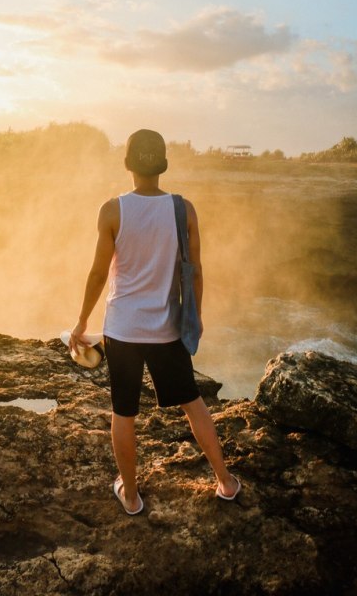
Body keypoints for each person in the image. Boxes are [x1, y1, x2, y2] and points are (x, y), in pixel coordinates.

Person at [69, 129, 241, 515]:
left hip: (123, 331)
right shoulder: (184, 208)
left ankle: (130, 495)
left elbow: (99, 274)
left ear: (128, 163)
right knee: (193, 403)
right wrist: (194, 316)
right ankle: (225, 482)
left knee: (123, 411)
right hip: (167, 330)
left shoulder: (112, 210)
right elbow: (194, 272)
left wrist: (81, 321)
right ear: (162, 165)